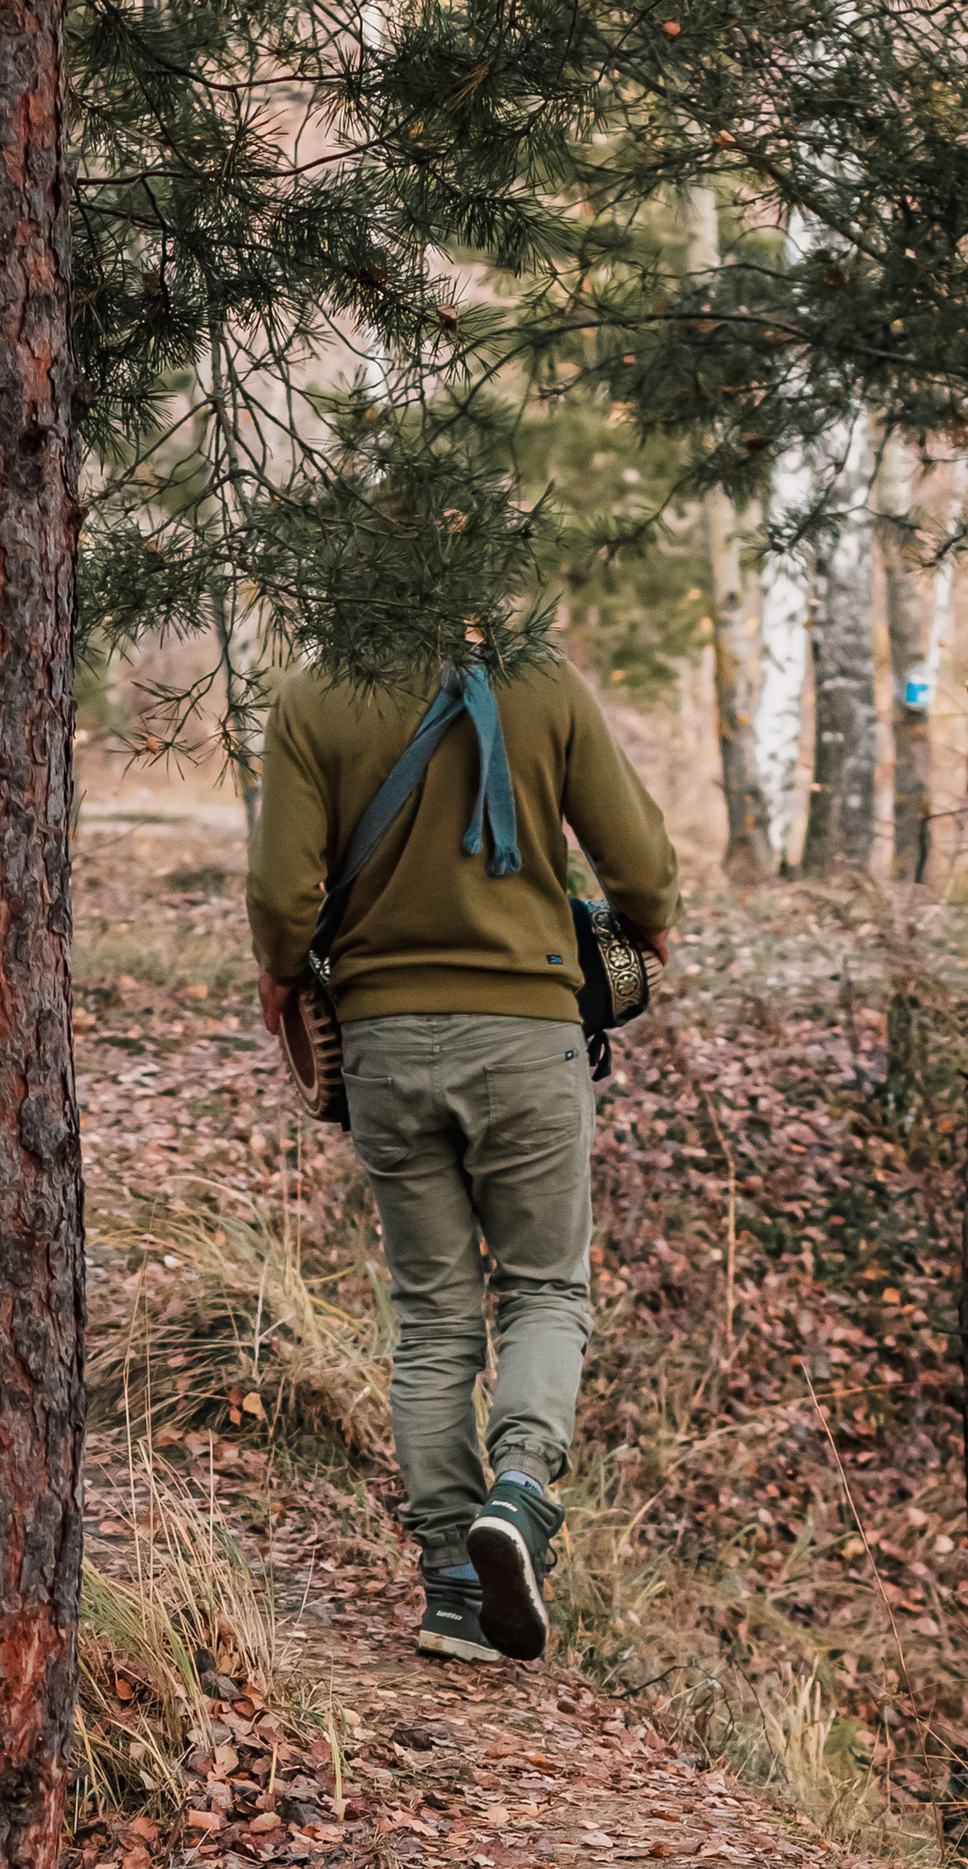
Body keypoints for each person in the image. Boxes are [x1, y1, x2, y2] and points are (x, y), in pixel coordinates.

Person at [247, 654, 680, 1665]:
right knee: (542, 1291)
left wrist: (279, 970)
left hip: (386, 1045)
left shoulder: (316, 695)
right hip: (527, 1039)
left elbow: (280, 892)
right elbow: (642, 868)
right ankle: (520, 1496)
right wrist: (650, 931)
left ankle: (452, 1588)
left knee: (435, 1316)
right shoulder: (545, 681)